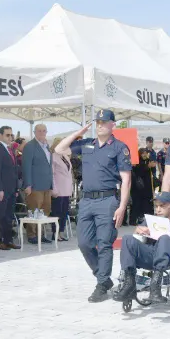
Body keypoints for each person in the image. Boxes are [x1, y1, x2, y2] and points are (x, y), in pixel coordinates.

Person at [55, 109, 132, 303]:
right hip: (87, 201)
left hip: (107, 200)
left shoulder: (120, 147)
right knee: (84, 243)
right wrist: (78, 133)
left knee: (104, 243)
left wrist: (122, 206)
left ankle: (101, 284)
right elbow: (59, 149)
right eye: (98, 122)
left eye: (104, 122)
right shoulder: (87, 144)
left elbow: (126, 179)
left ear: (112, 125)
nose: (100, 125)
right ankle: (103, 277)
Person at [112, 191, 170, 305]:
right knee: (127, 238)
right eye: (156, 206)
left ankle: (155, 286)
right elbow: (137, 235)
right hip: (150, 254)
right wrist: (139, 231)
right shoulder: (150, 221)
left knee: (165, 238)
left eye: (162, 206)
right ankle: (129, 283)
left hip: (168, 258)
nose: (158, 210)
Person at [22, 124, 53, 243]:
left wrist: (52, 184)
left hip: (47, 185)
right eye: (39, 131)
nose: (42, 133)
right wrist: (28, 185)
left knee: (45, 211)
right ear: (34, 132)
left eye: (44, 131)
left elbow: (49, 167)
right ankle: (31, 235)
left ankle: (41, 234)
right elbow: (26, 166)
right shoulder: (30, 146)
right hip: (35, 185)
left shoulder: (47, 147)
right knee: (34, 210)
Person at [0, 126, 18, 250]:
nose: (10, 137)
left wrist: (16, 188)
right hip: (3, 189)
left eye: (11, 135)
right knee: (1, 215)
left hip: (11, 188)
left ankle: (8, 240)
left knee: (9, 215)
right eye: (7, 135)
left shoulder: (10, 149)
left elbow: (14, 170)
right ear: (0, 136)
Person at [50, 136, 73, 242]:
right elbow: (51, 174)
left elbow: (69, 173)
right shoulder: (53, 157)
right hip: (58, 190)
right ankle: (55, 233)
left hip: (66, 189)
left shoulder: (65, 157)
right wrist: (53, 189)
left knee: (64, 212)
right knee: (57, 212)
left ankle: (61, 232)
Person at [129, 149, 154, 225]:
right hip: (137, 187)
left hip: (146, 188)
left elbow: (152, 172)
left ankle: (142, 219)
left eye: (146, 153)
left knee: (145, 204)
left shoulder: (148, 161)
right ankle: (133, 220)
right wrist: (147, 167)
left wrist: (152, 166)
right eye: (143, 153)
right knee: (136, 204)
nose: (144, 155)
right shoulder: (137, 162)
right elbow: (138, 171)